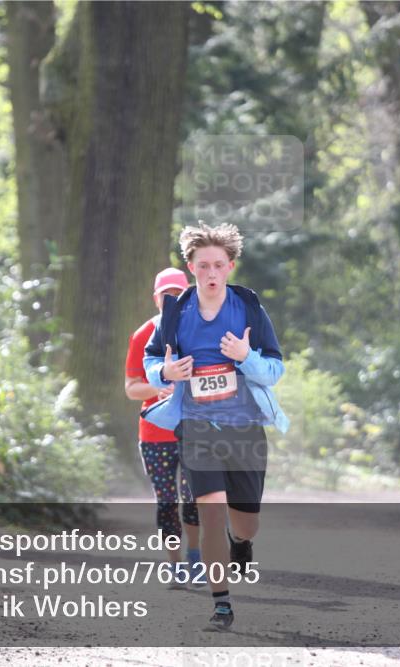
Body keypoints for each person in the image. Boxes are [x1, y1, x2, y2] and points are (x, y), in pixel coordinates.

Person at [142, 222, 288, 630]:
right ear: (190, 267)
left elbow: (274, 370)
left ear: (230, 267)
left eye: (218, 265)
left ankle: (242, 544)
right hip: (197, 427)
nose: (210, 272)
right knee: (211, 515)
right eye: (202, 264)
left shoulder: (249, 309)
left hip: (245, 429)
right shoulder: (175, 314)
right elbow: (151, 365)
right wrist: (166, 371)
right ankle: (221, 603)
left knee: (244, 522)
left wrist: (246, 356)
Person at [124, 267, 203, 589]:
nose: (171, 299)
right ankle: (174, 567)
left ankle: (195, 558)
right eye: (165, 294)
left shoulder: (202, 331)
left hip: (195, 430)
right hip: (155, 434)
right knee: (167, 501)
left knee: (194, 498)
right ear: (155, 298)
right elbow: (130, 388)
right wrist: (159, 388)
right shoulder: (143, 334)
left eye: (177, 294)